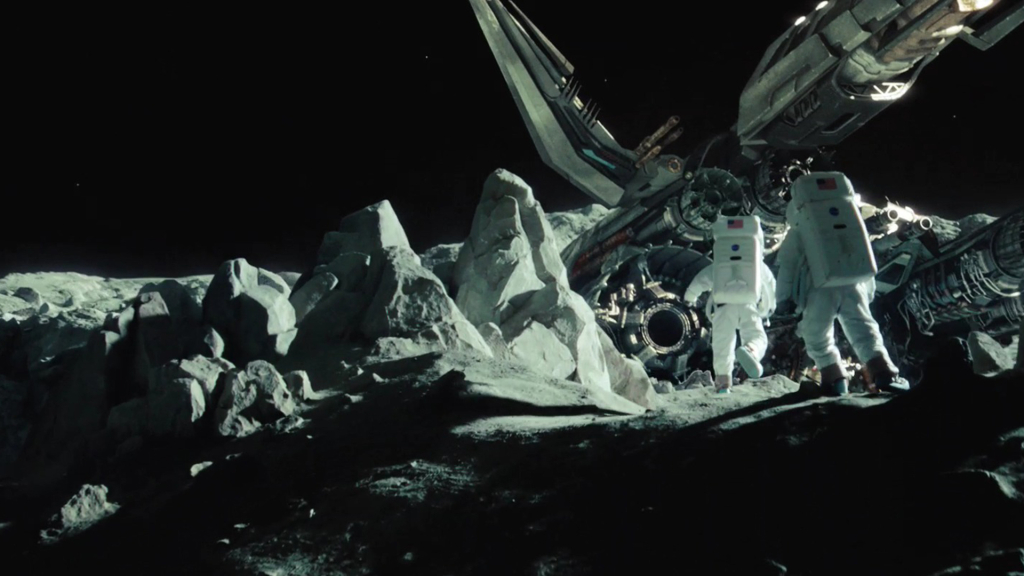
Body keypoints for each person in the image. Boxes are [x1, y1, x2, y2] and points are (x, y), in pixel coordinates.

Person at [775, 171, 910, 396]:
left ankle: (835, 379)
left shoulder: (799, 230)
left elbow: (788, 267)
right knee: (864, 329)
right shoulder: (851, 219)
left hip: (819, 289)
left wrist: (783, 299)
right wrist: (868, 290)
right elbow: (862, 253)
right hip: (854, 284)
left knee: (816, 335)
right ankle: (885, 373)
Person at [684, 215, 776, 393]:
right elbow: (770, 286)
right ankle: (751, 350)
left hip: (723, 306)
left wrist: (690, 297)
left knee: (722, 346)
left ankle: (723, 383)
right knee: (757, 336)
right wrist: (770, 308)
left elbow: (701, 280)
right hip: (749, 304)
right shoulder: (759, 266)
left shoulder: (719, 264)